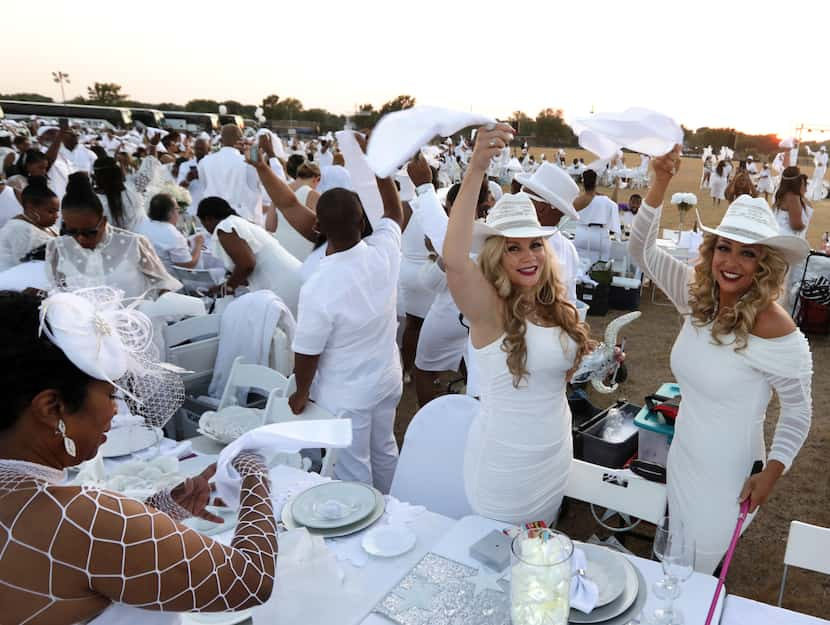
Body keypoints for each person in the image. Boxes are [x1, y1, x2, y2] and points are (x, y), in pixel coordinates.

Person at [0, 288, 277, 624]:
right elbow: (249, 580)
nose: (115, 411)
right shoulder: (81, 516)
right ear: (51, 407)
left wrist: (157, 510)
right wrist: (254, 476)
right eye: (110, 394)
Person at [629, 146, 812, 574]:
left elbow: (799, 411)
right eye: (724, 248)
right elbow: (641, 251)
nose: (731, 262)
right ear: (711, 250)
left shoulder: (775, 327)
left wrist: (770, 476)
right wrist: (658, 183)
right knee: (676, 563)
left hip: (729, 474)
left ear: (764, 264)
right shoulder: (697, 298)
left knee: (697, 567)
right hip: (684, 456)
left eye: (747, 253)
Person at [443, 124, 593, 525]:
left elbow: (552, 376)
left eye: (535, 245)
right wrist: (476, 167)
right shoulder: (490, 310)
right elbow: (455, 260)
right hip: (507, 470)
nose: (528, 257)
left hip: (554, 457)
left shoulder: (552, 304)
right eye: (513, 247)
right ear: (495, 255)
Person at [287, 172, 404, 494]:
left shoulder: (318, 286)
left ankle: (366, 529)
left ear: (318, 228)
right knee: (384, 449)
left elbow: (308, 351)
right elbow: (395, 213)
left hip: (348, 392)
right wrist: (381, 175)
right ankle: (393, 514)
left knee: (353, 470)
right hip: (387, 377)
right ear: (363, 219)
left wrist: (301, 392)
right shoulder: (384, 251)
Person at [46, 173, 182, 299]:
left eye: (89, 232)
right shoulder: (58, 248)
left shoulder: (133, 243)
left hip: (134, 322)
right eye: (72, 232)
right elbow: (58, 293)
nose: (80, 238)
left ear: (103, 221)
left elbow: (163, 284)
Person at [196, 196, 303, 314]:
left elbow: (246, 264)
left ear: (208, 219)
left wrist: (229, 287)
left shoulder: (225, 227)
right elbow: (246, 272)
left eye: (203, 224)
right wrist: (221, 287)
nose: (205, 229)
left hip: (281, 283)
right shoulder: (238, 222)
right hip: (290, 275)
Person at [198, 125, 264, 225]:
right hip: (242, 220)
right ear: (241, 140)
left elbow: (204, 188)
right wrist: (253, 148)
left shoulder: (204, 162)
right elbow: (256, 185)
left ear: (221, 140)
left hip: (213, 219)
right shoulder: (248, 163)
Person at [0, 177, 59, 271]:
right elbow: (27, 266)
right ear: (32, 210)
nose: (57, 216)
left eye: (57, 211)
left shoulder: (50, 227)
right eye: (51, 212)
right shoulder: (18, 229)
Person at [136, 193, 204, 270]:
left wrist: (184, 242)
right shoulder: (173, 234)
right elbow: (188, 264)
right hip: (164, 277)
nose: (178, 213)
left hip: (141, 272)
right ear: (170, 212)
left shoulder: (142, 224)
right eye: (177, 209)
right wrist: (198, 244)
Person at [93, 155, 146, 231]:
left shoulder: (94, 202)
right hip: (139, 239)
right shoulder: (133, 189)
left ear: (96, 176)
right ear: (118, 172)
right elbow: (149, 169)